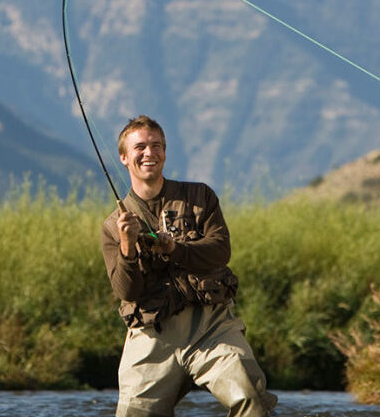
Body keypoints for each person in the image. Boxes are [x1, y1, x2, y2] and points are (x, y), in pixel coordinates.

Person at [101, 115, 278, 417]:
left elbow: (220, 251)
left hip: (211, 327)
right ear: (124, 158)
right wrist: (128, 247)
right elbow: (126, 290)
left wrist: (174, 248)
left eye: (157, 146)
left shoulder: (200, 197)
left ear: (165, 152)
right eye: (140, 147)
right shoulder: (111, 227)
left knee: (251, 398)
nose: (149, 153)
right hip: (151, 337)